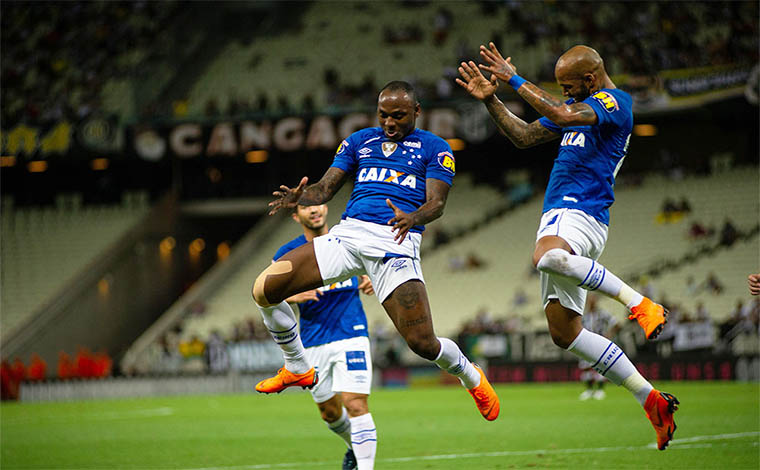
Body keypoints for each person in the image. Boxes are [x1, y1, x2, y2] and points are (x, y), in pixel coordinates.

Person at [457, 43, 677, 450]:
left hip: (579, 211)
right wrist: (492, 101)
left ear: (590, 80)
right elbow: (524, 135)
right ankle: (650, 399)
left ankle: (639, 303)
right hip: (562, 216)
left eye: (568, 86)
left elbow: (558, 111)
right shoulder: (578, 110)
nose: (564, 92)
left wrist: (513, 79)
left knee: (545, 258)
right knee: (565, 333)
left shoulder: (612, 101)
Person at [252, 82, 499, 425]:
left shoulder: (435, 147)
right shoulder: (359, 141)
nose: (389, 123)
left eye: (398, 116)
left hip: (394, 243)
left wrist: (412, 218)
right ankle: (297, 366)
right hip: (348, 235)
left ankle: (471, 376)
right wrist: (302, 197)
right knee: (264, 289)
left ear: (417, 112)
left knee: (423, 344)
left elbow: (437, 204)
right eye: (383, 115)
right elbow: (325, 188)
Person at [273, 203, 377, 470]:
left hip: (351, 332)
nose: (314, 210)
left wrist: (372, 277)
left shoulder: (347, 239)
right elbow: (266, 295)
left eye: (318, 203)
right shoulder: (288, 253)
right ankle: (355, 448)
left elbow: (375, 264)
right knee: (329, 413)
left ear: (326, 207)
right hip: (313, 339)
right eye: (306, 207)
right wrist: (291, 295)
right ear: (297, 216)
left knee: (354, 403)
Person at [577, 296, 620, 401]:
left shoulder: (602, 314)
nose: (591, 303)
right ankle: (589, 390)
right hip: (586, 344)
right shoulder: (584, 316)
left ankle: (600, 390)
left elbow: (616, 324)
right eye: (589, 301)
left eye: (593, 301)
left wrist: (608, 335)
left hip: (599, 343)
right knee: (585, 368)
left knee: (600, 367)